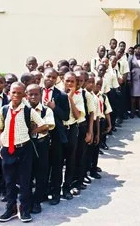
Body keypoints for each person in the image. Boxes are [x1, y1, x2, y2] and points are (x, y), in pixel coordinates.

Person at [0, 82, 47, 223]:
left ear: (24, 94)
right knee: (9, 181)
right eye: (13, 92)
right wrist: (1, 145)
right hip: (7, 149)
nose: (16, 95)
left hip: (24, 149)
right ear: (9, 93)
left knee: (25, 181)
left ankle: (24, 209)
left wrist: (32, 131)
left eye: (19, 93)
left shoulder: (29, 111)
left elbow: (44, 125)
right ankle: (10, 209)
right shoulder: (4, 110)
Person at [42, 68, 70, 206]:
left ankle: (55, 193)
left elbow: (65, 116)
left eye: (54, 77)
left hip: (56, 135)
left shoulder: (62, 95)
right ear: (43, 76)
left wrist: (54, 107)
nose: (50, 79)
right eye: (48, 76)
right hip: (40, 134)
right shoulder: (36, 92)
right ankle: (42, 192)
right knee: (42, 165)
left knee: (57, 165)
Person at [25, 84, 55, 214]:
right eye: (30, 94)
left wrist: (35, 129)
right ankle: (27, 201)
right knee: (26, 173)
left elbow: (47, 126)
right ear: (26, 95)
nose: (33, 97)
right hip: (26, 145)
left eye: (36, 94)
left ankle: (37, 201)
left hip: (41, 143)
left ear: (41, 95)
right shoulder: (23, 110)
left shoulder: (46, 110)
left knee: (41, 172)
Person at [61, 72, 85, 200]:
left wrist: (70, 98)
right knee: (58, 161)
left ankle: (67, 187)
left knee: (71, 159)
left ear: (76, 84)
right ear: (62, 81)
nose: (69, 84)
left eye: (72, 82)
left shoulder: (78, 96)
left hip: (72, 129)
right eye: (67, 81)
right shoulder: (58, 94)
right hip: (60, 130)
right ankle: (54, 188)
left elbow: (77, 116)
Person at [73, 71, 95, 192]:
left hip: (82, 127)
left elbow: (91, 113)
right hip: (71, 128)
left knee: (80, 156)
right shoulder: (66, 92)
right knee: (71, 156)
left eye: (81, 81)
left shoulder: (86, 95)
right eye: (76, 80)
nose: (78, 83)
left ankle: (79, 181)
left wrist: (90, 132)